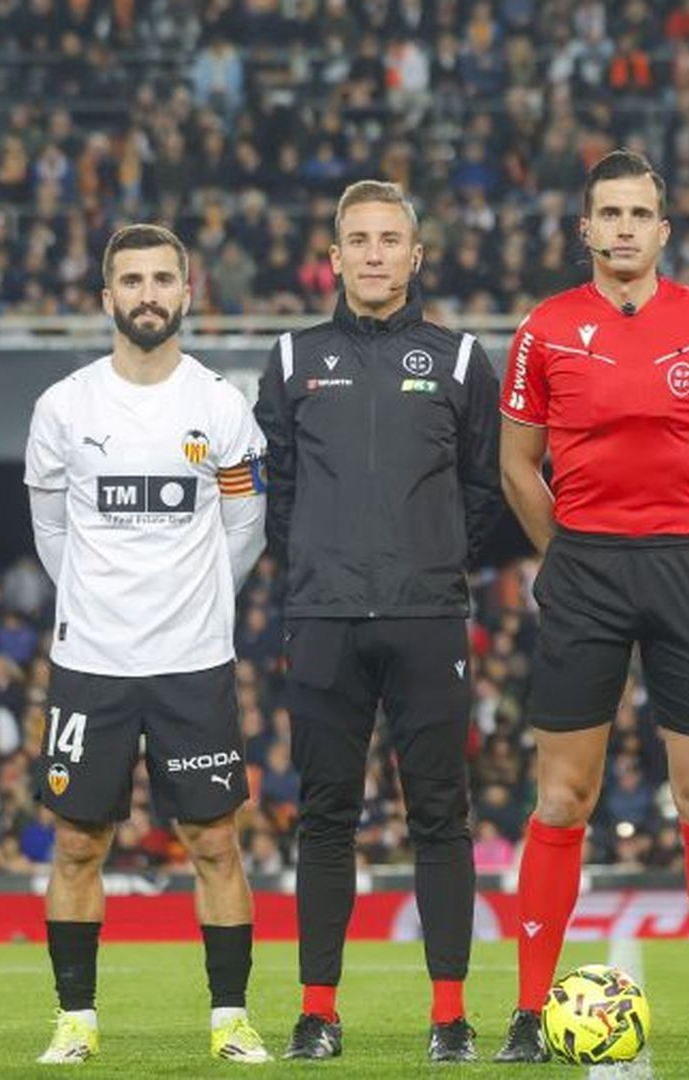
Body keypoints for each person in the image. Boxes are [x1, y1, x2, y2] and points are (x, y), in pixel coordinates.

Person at [495, 148, 689, 1065]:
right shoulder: (545, 328)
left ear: (663, 228)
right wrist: (566, 555)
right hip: (586, 569)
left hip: (683, 567)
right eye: (607, 214)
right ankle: (530, 1015)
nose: (622, 229)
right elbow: (516, 466)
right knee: (563, 798)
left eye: (637, 214)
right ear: (586, 229)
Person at [253, 179, 502, 1062]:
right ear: (334, 257)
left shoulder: (465, 359)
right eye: (357, 239)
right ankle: (318, 1012)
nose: (372, 254)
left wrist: (429, 564)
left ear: (415, 255)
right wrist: (319, 561)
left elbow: (484, 491)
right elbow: (274, 492)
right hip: (321, 617)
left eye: (388, 239)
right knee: (325, 818)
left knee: (441, 817)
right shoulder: (288, 360)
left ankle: (449, 1018)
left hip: (429, 616)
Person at [23, 223, 271, 1064]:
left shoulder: (220, 405)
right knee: (79, 843)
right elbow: (51, 536)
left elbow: (245, 528)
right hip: (90, 664)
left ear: (187, 292)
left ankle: (230, 1020)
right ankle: (76, 1022)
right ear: (107, 299)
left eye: (163, 279)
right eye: (131, 281)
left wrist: (191, 606)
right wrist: (105, 609)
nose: (148, 295)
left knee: (215, 842)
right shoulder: (64, 406)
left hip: (193, 664)